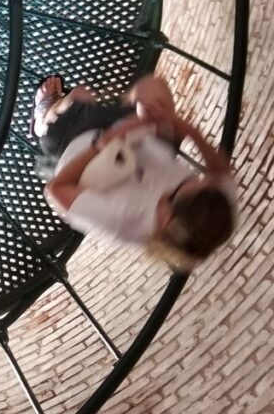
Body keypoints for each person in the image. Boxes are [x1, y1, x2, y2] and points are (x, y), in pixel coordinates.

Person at [33, 74, 236, 271]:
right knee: (152, 88)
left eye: (183, 187)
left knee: (78, 96)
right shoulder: (214, 210)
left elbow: (55, 190)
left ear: (166, 217)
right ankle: (98, 105)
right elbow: (221, 172)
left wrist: (104, 142)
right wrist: (186, 129)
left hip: (78, 147)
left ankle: (43, 117)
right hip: (134, 141)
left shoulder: (123, 218)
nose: (197, 178)